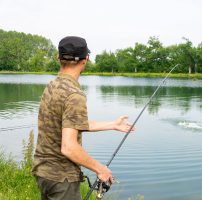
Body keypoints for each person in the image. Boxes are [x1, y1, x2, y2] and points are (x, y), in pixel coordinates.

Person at [32, 36, 134, 200]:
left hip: (43, 173)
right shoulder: (74, 94)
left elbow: (71, 124)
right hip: (62, 179)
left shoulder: (52, 85)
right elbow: (68, 147)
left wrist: (113, 124)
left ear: (59, 58)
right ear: (85, 59)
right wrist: (100, 169)